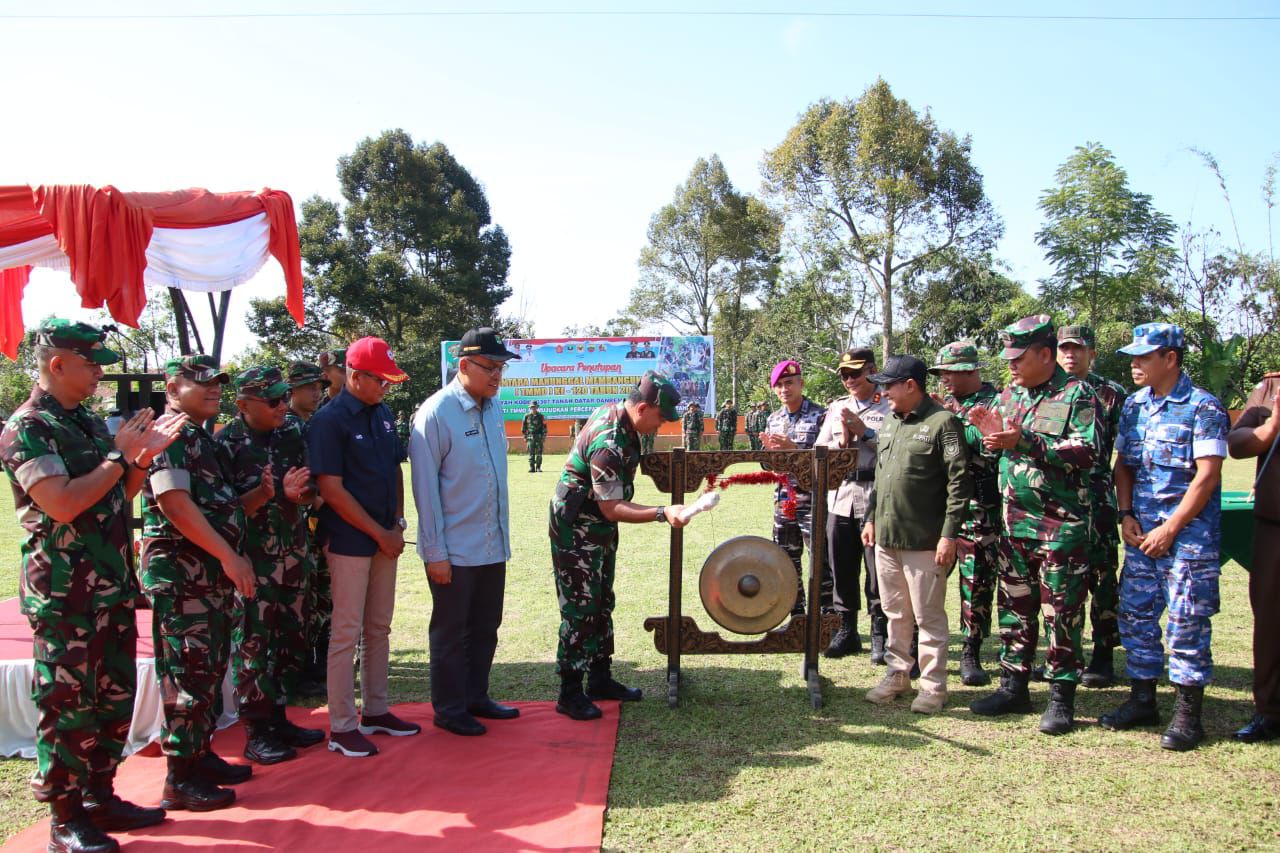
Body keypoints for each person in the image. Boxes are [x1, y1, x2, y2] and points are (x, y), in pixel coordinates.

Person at [0, 319, 183, 853]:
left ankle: (101, 796)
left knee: (113, 699)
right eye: (91, 365)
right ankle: (65, 819)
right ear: (57, 364)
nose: (100, 374)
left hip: (111, 586)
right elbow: (62, 503)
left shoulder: (84, 422)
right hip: (65, 595)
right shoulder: (28, 426)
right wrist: (119, 456)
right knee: (67, 706)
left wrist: (139, 458)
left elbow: (117, 495)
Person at [967, 316, 1099, 735]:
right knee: (1014, 608)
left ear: (1045, 354)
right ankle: (1013, 686)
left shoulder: (1077, 393)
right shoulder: (1010, 395)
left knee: (1062, 613)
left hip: (1059, 526)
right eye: (1008, 358)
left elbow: (1086, 451)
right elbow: (999, 450)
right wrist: (991, 439)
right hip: (1014, 523)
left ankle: (1061, 696)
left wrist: (1023, 440)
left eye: (1018, 357)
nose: (1011, 365)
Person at [1100, 324, 1228, 751]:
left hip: (1188, 539)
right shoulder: (1135, 405)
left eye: (1144, 357)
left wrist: (1171, 528)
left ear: (1170, 358)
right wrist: (1126, 515)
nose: (1134, 364)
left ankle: (1188, 715)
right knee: (1135, 615)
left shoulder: (1203, 407)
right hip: (1141, 536)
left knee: (1186, 622)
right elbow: (1124, 465)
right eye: (1133, 357)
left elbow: (1207, 476)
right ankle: (1143, 701)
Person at [141, 354, 256, 810]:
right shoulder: (168, 434)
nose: (214, 390)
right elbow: (175, 504)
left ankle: (200, 754)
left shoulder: (200, 437)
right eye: (202, 382)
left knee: (207, 672)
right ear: (172, 388)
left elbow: (220, 505)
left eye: (218, 383)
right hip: (182, 579)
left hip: (208, 579)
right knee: (187, 674)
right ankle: (180, 777)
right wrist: (229, 556)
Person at [549, 371, 687, 721]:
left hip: (598, 525)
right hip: (577, 528)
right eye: (660, 418)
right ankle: (570, 692)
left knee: (601, 601)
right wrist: (663, 513)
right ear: (642, 408)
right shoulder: (609, 441)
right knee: (581, 608)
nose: (661, 426)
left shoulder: (624, 420)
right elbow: (612, 507)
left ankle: (599, 678)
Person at [308, 337, 421, 758]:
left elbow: (394, 470)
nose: (387, 388)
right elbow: (331, 490)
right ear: (355, 376)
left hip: (385, 537)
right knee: (346, 631)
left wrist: (398, 523)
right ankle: (341, 726)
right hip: (349, 540)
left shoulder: (383, 413)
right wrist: (379, 533)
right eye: (381, 380)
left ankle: (376, 710)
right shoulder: (329, 420)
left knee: (379, 627)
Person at [410, 327, 522, 737]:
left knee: (485, 627)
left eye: (500, 368)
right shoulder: (436, 413)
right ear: (463, 365)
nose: (496, 375)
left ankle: (476, 696)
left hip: (491, 543)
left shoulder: (493, 409)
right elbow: (425, 490)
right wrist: (434, 552)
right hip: (454, 550)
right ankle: (449, 709)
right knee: (451, 633)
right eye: (489, 366)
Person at [218, 367, 324, 764]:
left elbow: (310, 488)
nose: (282, 406)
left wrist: (300, 495)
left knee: (290, 641)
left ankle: (280, 719)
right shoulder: (226, 444)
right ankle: (256, 731)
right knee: (254, 647)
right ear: (243, 405)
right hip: (253, 562)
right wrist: (268, 494)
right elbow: (224, 512)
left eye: (283, 397)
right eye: (273, 400)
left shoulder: (292, 432)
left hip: (293, 556)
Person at [860, 355, 970, 713]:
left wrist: (948, 535)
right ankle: (897, 674)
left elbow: (959, 483)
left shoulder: (943, 423)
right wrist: (870, 518)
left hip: (925, 540)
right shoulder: (889, 423)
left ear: (910, 385)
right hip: (887, 537)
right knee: (895, 612)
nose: (883, 392)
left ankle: (933, 686)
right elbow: (881, 477)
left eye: (888, 385)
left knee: (928, 616)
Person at [1057, 324, 1128, 687]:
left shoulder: (1112, 394)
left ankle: (1103, 653)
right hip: (1058, 498)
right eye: (1064, 349)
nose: (1070, 355)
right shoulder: (1049, 391)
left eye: (1077, 349)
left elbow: (1125, 451)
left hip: (1097, 497)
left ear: (1092, 353)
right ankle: (1064, 653)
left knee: (1102, 576)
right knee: (1060, 578)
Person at [929, 340, 1002, 686]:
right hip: (941, 507)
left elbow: (987, 444)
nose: (944, 378)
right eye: (941, 373)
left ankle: (971, 650)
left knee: (977, 582)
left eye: (950, 372)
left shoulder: (996, 403)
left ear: (971, 370)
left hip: (979, 509)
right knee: (928, 577)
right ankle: (922, 646)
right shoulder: (944, 405)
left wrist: (949, 420)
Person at [817, 348, 890, 660]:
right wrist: (842, 442)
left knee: (878, 568)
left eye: (855, 373)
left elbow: (899, 447)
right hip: (842, 495)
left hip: (876, 494)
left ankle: (880, 633)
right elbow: (820, 448)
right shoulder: (837, 407)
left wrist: (866, 433)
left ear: (872, 370)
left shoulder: (890, 402)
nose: (849, 380)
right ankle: (847, 630)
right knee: (841, 565)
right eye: (844, 375)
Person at [1227, 370, 1280, 743]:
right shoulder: (1272, 387)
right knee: (1272, 621)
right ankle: (1271, 711)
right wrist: (1272, 426)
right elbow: (1237, 443)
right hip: (1275, 523)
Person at [761, 360, 827, 613]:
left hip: (814, 499)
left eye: (789, 383)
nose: (784, 389)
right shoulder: (774, 419)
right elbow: (769, 464)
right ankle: (796, 616)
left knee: (820, 560)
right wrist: (768, 456)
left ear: (801, 383)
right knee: (785, 560)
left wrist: (795, 449)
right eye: (778, 385)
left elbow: (828, 461)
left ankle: (824, 617)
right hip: (784, 499)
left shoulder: (821, 416)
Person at [285, 361, 332, 696]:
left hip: (313, 527)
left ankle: (316, 668)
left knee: (320, 598)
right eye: (309, 387)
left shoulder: (310, 423)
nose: (316, 393)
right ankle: (302, 671)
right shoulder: (289, 427)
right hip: (297, 527)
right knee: (306, 600)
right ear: (292, 390)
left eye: (318, 387)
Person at [523, 400, 547, 473]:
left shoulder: (541, 416)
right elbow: (524, 427)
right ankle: (532, 467)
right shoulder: (526, 416)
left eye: (535, 407)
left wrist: (544, 437)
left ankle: (538, 467)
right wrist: (525, 437)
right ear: (530, 408)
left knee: (539, 453)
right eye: (532, 407)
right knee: (531, 453)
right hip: (530, 436)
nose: (533, 408)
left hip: (539, 436)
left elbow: (544, 427)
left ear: (537, 407)